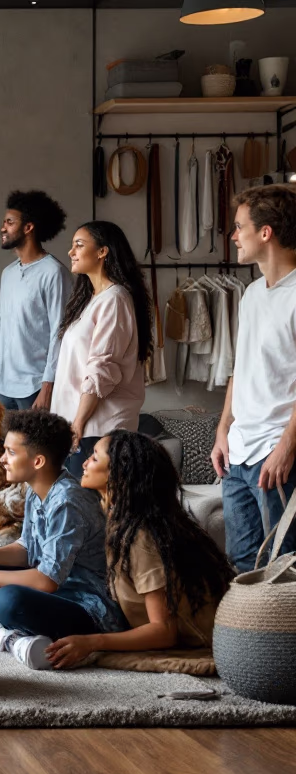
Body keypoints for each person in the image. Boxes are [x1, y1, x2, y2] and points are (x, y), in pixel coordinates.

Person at [46, 431, 235, 669]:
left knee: (17, 602)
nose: (84, 463)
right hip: (134, 622)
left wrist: (92, 642)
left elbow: (164, 631)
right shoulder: (126, 519)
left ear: (118, 474)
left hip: (204, 640)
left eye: (94, 458)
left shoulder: (141, 535)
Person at [0, 409, 122, 670]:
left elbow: (46, 581)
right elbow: (25, 549)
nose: (2, 459)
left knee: (9, 601)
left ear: (38, 462)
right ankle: (9, 639)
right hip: (52, 588)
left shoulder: (67, 502)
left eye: (10, 452)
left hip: (85, 605)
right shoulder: (37, 489)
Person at [212, 184, 296, 573]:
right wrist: (223, 428)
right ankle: (246, 637)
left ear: (266, 232)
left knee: (284, 565)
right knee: (241, 563)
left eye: (239, 227)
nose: (233, 236)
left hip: (276, 452)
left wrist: (286, 447)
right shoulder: (249, 294)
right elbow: (238, 369)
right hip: (238, 451)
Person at [51, 220, 152, 477]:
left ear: (102, 251)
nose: (71, 252)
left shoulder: (115, 299)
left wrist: (78, 422)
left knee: (92, 511)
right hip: (81, 426)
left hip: (96, 429)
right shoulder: (92, 300)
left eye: (79, 245)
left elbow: (101, 368)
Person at [0, 190, 73, 412]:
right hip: (3, 388)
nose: (3, 228)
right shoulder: (8, 273)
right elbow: (0, 329)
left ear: (28, 227)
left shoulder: (54, 273)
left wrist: (47, 387)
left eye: (9, 222)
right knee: (4, 446)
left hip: (34, 387)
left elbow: (60, 332)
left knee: (36, 447)